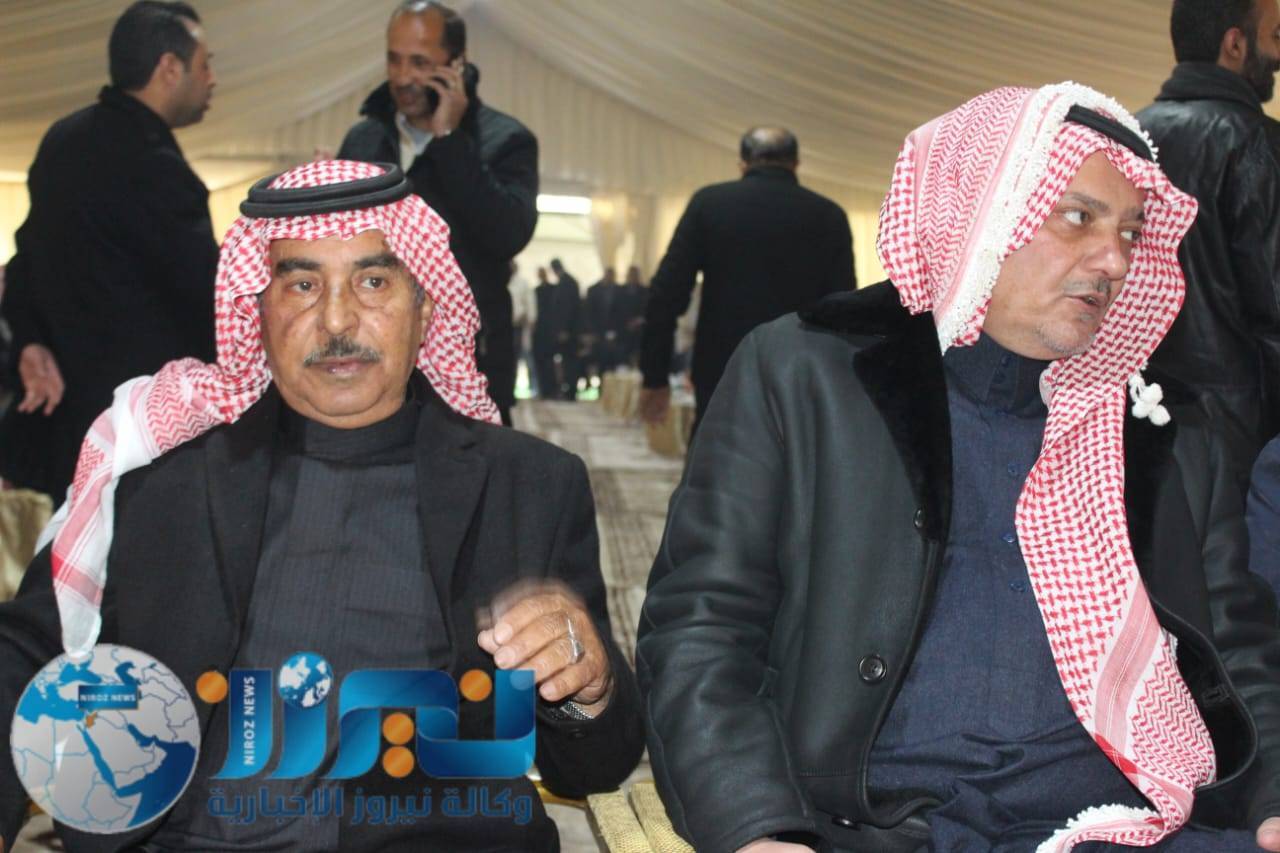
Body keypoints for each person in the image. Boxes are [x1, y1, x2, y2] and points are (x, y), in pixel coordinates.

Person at [637, 84, 1280, 853]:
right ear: (982, 211)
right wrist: (755, 824)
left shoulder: (1167, 433)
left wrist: (1275, 796)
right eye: (1078, 217)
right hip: (871, 830)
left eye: (1131, 232)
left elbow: (1236, 655)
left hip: (1123, 828)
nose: (1113, 260)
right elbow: (702, 628)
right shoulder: (804, 378)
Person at [0, 161, 643, 852]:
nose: (337, 320)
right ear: (259, 311)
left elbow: (594, 766)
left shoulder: (528, 487)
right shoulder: (159, 478)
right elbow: (26, 654)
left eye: (373, 282)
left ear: (426, 308)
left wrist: (590, 683)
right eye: (303, 285)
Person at [0, 0, 218, 500]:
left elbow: (27, 259)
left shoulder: (63, 139)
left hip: (64, 427)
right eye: (205, 64)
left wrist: (28, 340)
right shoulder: (155, 165)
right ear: (170, 68)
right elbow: (201, 298)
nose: (211, 79)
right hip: (137, 437)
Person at [337, 0, 538, 426]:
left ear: (455, 65)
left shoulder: (506, 140)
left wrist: (450, 142)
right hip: (374, 356)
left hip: (472, 362)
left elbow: (507, 235)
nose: (401, 77)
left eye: (419, 63)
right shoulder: (364, 139)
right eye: (394, 60)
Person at [1136, 0, 1280, 489]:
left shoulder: (1128, 137)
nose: (1278, 55)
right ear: (1235, 44)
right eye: (1275, 36)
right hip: (1239, 443)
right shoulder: (1259, 143)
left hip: (1135, 420)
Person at [637, 126, 855, 428]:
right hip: (800, 372)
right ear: (796, 164)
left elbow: (665, 294)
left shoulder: (709, 205)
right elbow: (844, 310)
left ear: (742, 163)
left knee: (718, 454)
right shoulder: (829, 216)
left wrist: (655, 376)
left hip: (722, 367)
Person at [583, 266, 628, 380]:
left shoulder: (621, 291)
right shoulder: (593, 290)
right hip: (598, 334)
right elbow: (589, 313)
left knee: (617, 363)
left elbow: (623, 313)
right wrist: (591, 332)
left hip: (617, 334)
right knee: (601, 362)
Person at [508, 260, 537, 398]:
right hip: (505, 326)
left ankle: (534, 388)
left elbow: (530, 303)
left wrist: (530, 319)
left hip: (520, 327)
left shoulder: (523, 283)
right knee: (509, 360)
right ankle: (509, 388)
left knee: (526, 358)